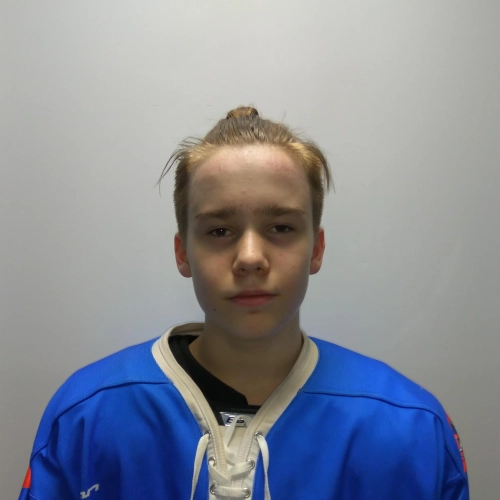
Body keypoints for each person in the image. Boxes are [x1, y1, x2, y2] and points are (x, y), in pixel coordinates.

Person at [19, 106, 469, 499]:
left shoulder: (411, 429)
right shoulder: (87, 416)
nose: (250, 257)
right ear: (182, 252)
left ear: (316, 249)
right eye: (219, 231)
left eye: (281, 228)